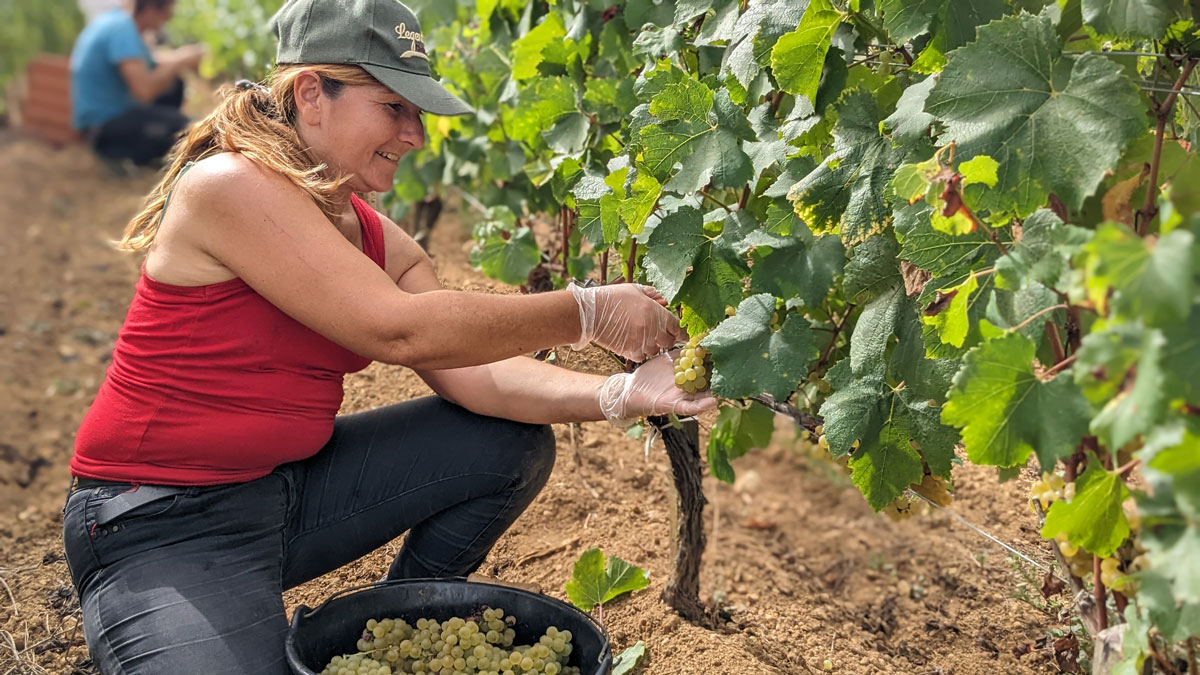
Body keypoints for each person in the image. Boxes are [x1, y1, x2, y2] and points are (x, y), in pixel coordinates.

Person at [60, 0, 716, 671]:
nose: (415, 135)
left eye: (418, 112)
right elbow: (399, 331)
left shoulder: (371, 234)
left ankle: (386, 624)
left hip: (282, 496)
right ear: (312, 93)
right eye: (393, 106)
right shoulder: (228, 186)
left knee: (503, 443)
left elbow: (477, 378)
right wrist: (586, 311)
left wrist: (621, 391)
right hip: (158, 526)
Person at [69, 0, 205, 167]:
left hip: (105, 119)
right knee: (189, 131)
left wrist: (181, 58)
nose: (169, 17)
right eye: (165, 12)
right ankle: (121, 155)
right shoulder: (122, 30)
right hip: (105, 126)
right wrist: (181, 60)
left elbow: (149, 63)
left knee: (175, 85)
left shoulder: (118, 22)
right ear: (150, 9)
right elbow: (144, 91)